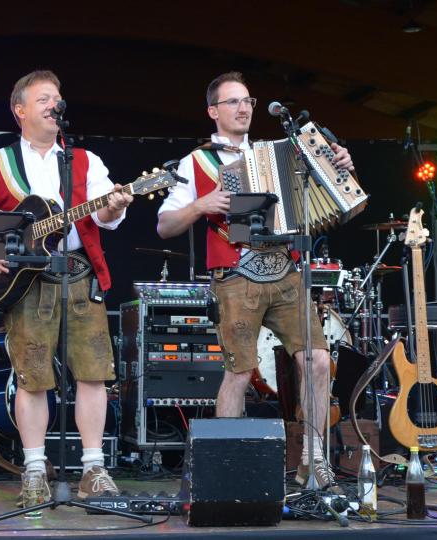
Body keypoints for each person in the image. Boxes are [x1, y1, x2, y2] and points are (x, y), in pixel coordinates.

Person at [0, 70, 132, 509]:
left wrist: (117, 203)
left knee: (93, 373)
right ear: (20, 110)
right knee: (32, 377)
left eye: (57, 98)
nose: (53, 105)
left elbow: (105, 218)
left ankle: (93, 468)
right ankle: (33, 469)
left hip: (81, 276)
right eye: (43, 98)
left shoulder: (86, 161)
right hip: (27, 283)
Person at [156, 71, 354, 488]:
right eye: (233, 102)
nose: (244, 107)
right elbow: (165, 225)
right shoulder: (198, 161)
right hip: (235, 278)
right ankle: (224, 468)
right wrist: (201, 204)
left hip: (285, 271)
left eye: (248, 100)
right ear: (213, 111)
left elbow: (333, 186)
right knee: (240, 372)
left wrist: (339, 163)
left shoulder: (280, 151)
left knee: (317, 360)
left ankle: (313, 461)